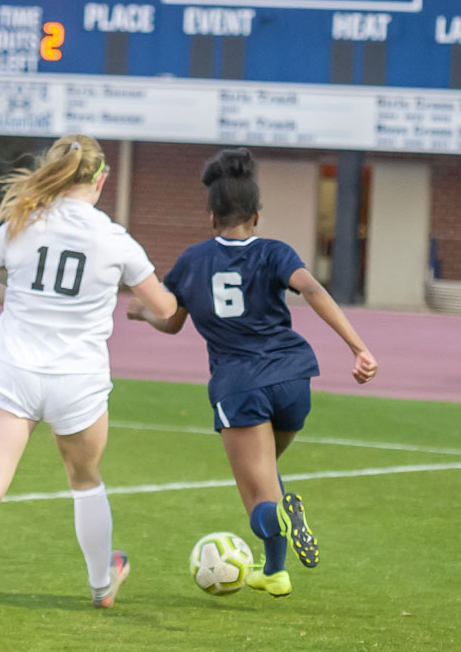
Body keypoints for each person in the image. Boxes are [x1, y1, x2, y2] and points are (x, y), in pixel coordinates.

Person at [0, 134, 178, 608]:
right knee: (85, 481)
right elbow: (163, 306)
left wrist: (23, 300)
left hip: (15, 369)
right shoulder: (113, 238)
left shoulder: (21, 222)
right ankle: (102, 584)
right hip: (77, 380)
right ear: (102, 179)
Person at [128, 147, 377, 599]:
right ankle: (275, 572)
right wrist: (358, 348)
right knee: (266, 471)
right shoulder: (275, 253)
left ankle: (277, 516)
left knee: (257, 495)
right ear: (256, 214)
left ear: (211, 216)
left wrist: (140, 315)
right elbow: (314, 289)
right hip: (293, 379)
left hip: (240, 386)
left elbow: (170, 320)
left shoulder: (192, 261)